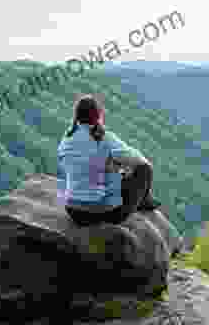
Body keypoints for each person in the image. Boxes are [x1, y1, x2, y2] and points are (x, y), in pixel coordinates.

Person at [57, 94, 161, 226]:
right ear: (99, 115)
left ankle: (144, 200)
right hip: (105, 213)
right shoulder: (105, 138)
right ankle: (144, 202)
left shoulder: (66, 140)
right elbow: (139, 161)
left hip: (74, 211)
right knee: (145, 170)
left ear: (76, 116)